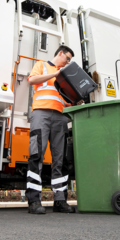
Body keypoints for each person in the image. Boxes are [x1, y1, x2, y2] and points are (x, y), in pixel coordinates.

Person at [25, 45, 76, 214]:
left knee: (60, 159)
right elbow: (32, 80)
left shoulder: (66, 76)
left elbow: (67, 98)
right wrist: (55, 74)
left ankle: (60, 201)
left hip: (60, 117)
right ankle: (33, 201)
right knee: (36, 154)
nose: (67, 62)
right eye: (67, 58)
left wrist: (76, 100)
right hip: (41, 114)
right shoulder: (42, 65)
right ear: (60, 53)